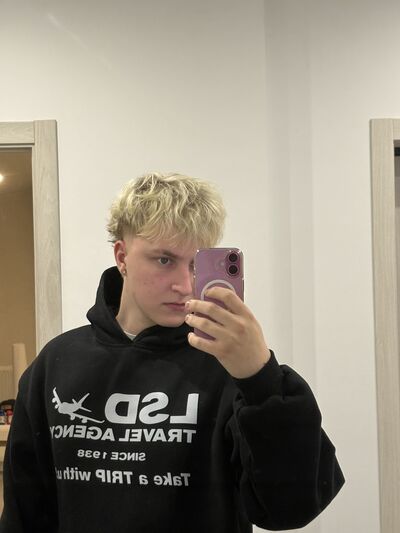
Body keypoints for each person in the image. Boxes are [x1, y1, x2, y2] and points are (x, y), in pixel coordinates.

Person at [0, 173, 344, 533]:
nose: (184, 284)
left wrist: (260, 377)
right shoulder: (56, 364)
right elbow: (25, 514)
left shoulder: (228, 363)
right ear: (122, 256)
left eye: (196, 264)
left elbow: (291, 508)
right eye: (165, 260)